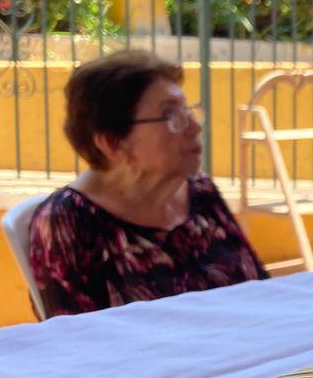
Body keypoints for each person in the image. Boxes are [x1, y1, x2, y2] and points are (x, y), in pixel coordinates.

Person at [27, 50, 267, 317]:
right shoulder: (69, 223)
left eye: (187, 110)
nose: (194, 127)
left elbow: (260, 291)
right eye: (169, 115)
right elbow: (78, 346)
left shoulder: (201, 192)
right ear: (113, 143)